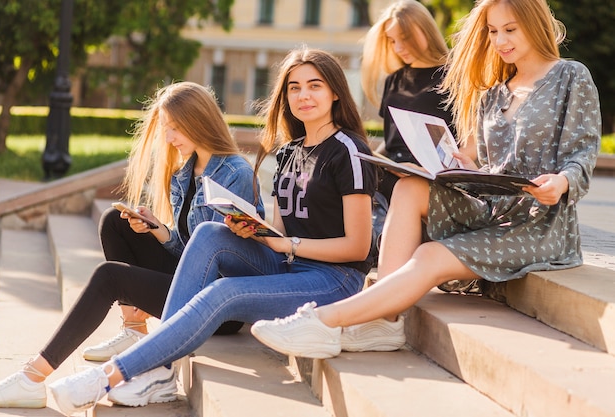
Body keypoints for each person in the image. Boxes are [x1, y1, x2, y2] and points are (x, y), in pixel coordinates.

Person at [250, 0, 602, 359]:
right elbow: (479, 158)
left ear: (535, 24)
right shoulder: (495, 91)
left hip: (540, 224)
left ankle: (323, 321)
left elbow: (584, 153)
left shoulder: (570, 76)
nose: (500, 41)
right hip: (494, 208)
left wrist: (561, 182)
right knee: (409, 186)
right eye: (493, 31)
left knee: (431, 254)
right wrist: (456, 162)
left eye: (510, 30)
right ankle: (384, 322)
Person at [43, 46, 378, 416]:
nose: (304, 96)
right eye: (294, 88)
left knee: (225, 291)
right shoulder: (288, 152)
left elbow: (358, 247)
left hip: (334, 279)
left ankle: (116, 375)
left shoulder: (349, 150)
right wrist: (254, 230)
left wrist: (285, 244)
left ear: (335, 92)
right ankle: (159, 369)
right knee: (209, 234)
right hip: (288, 266)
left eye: (314, 86)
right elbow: (278, 232)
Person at [0, 81, 262, 409]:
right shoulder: (185, 171)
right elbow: (189, 250)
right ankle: (135, 329)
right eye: (166, 129)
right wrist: (159, 230)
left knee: (110, 277)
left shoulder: (236, 174)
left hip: (217, 307)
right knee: (115, 222)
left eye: (175, 128)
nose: (169, 138)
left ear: (198, 121)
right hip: (192, 283)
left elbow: (217, 259)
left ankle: (32, 377)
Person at [360, 0, 479, 293]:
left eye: (405, 38)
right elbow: (391, 144)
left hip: (434, 179)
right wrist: (375, 159)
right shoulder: (394, 80)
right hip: (393, 175)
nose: (399, 47)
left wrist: (424, 169)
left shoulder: (456, 76)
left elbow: (468, 146)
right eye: (392, 40)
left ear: (425, 30)